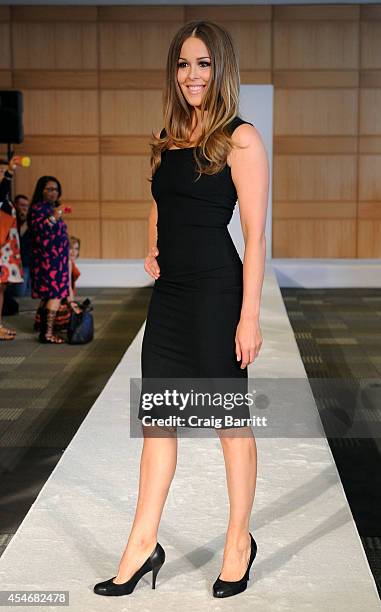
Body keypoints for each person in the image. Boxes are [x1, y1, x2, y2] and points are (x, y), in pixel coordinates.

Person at [94, 20, 269, 600]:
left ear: (221, 69)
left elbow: (254, 234)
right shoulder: (168, 136)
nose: (191, 75)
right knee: (158, 422)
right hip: (169, 301)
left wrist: (249, 315)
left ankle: (239, 541)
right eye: (182, 64)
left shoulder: (241, 139)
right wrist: (152, 244)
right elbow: (159, 199)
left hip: (218, 294)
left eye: (202, 64)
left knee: (228, 423)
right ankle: (143, 543)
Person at [28, 176, 70, 344]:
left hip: (58, 260)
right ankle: (47, 333)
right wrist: (54, 216)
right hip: (47, 261)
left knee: (54, 294)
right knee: (54, 294)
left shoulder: (52, 208)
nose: (53, 192)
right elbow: (40, 231)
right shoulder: (38, 209)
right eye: (49, 189)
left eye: (56, 189)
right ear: (41, 190)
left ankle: (45, 329)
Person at [33, 234, 81, 335]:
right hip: (61, 298)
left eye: (76, 249)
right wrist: (72, 303)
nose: (73, 252)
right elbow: (68, 286)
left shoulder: (62, 261)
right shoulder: (67, 262)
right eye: (70, 248)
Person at [0, 158, 24, 340]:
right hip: (1, 249)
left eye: (3, 172)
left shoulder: (6, 199)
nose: (2, 174)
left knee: (2, 288)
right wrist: (9, 173)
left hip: (7, 249)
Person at [6, 194, 31, 298]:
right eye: (22, 205)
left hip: (32, 263)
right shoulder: (11, 220)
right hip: (19, 263)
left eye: (26, 206)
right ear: (15, 205)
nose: (24, 208)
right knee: (20, 294)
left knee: (30, 294)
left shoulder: (31, 222)